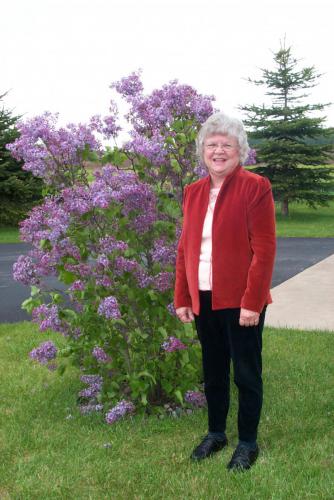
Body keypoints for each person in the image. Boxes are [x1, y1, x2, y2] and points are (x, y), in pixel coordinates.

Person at [174, 112, 276, 471]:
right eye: (212, 145)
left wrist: (252, 302)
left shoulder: (255, 186)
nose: (218, 151)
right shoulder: (193, 192)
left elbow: (264, 249)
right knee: (213, 371)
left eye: (226, 145)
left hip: (241, 300)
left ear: (239, 151)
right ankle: (216, 433)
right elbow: (186, 249)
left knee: (246, 372)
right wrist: (182, 297)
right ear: (203, 151)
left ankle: (247, 442)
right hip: (203, 298)